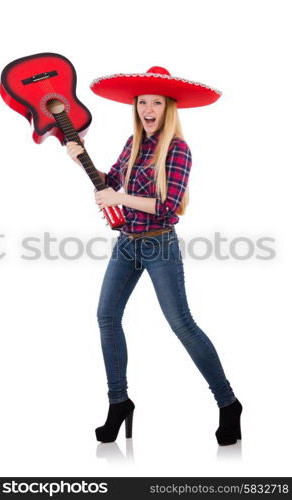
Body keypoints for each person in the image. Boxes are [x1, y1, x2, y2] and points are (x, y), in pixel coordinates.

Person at [66, 66, 243, 446]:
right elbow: (110, 182)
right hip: (127, 243)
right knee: (107, 316)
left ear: (168, 108)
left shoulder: (177, 148)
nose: (148, 108)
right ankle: (119, 403)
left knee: (182, 325)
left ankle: (228, 404)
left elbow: (168, 205)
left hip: (159, 243)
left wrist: (119, 198)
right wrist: (80, 159)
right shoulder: (133, 144)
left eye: (156, 102)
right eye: (142, 101)